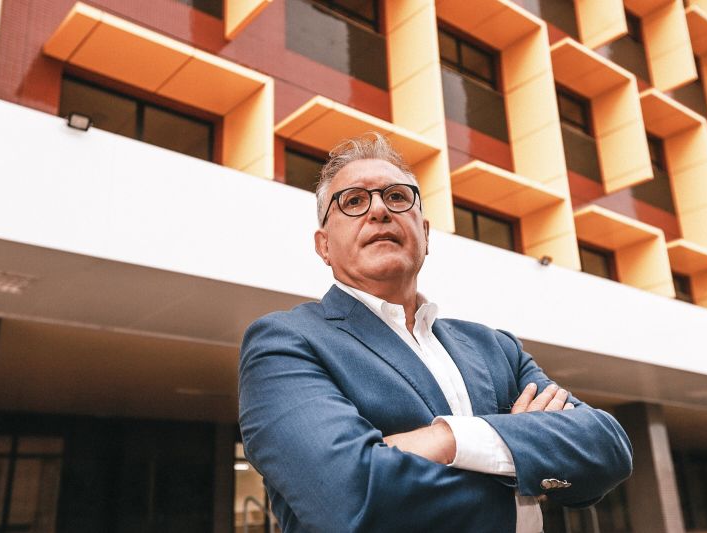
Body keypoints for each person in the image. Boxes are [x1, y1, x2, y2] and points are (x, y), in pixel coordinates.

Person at [239, 133, 633, 533]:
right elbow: (351, 497)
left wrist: (446, 439)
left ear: (425, 233)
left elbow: (607, 448)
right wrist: (526, 456)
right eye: (354, 201)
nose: (379, 210)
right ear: (323, 246)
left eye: (397, 197)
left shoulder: (496, 348)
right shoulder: (285, 343)